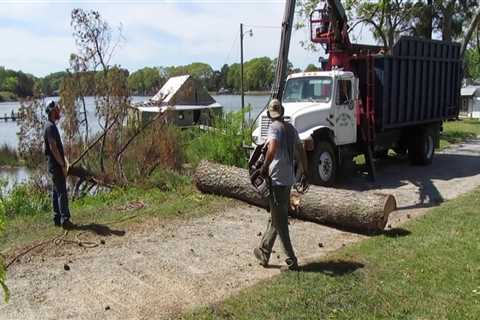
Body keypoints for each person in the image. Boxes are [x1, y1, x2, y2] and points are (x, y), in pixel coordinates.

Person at [253, 99, 308, 271]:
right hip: (288, 179)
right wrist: (305, 171)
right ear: (282, 112)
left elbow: (272, 148)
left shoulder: (274, 127)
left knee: (281, 222)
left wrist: (263, 168)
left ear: (270, 114)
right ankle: (264, 251)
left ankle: (292, 260)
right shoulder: (291, 129)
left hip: (276, 179)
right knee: (276, 217)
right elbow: (301, 149)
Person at [44, 101, 74, 229]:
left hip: (55, 165)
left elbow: (57, 148)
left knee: (56, 191)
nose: (59, 112)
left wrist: (65, 161)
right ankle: (65, 220)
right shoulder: (50, 127)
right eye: (57, 110)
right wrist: (62, 164)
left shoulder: (51, 126)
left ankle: (57, 219)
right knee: (62, 192)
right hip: (56, 166)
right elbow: (53, 147)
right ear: (52, 112)